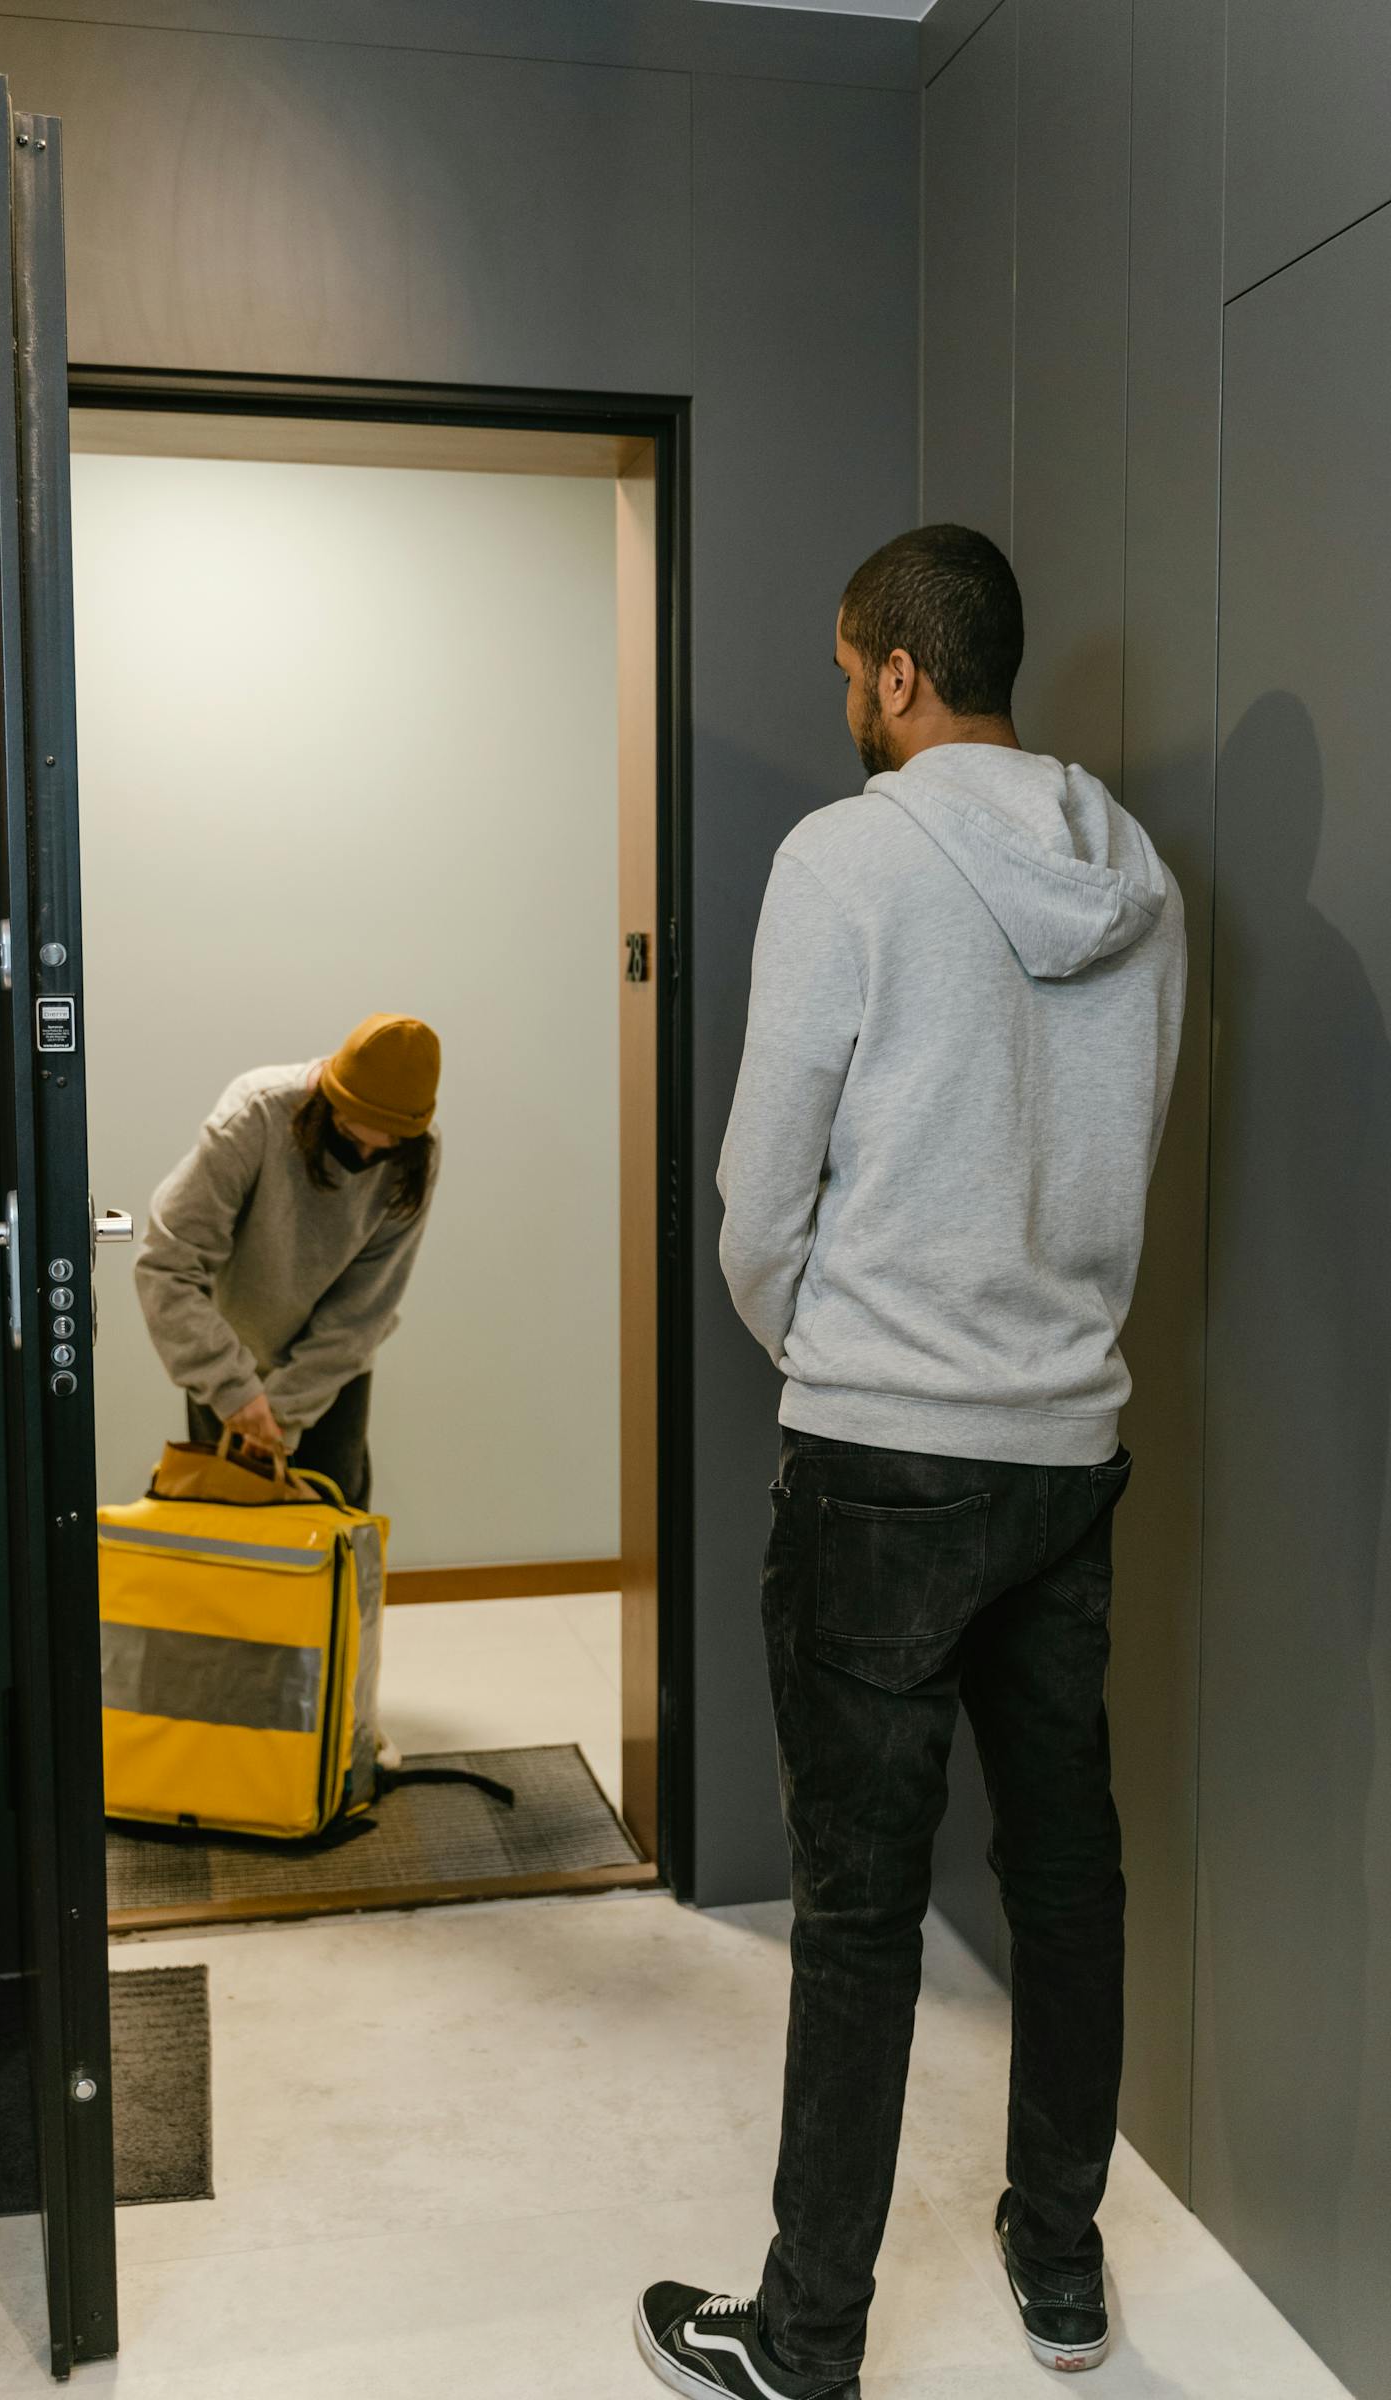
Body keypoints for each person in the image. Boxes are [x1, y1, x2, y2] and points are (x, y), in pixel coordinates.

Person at [636, 526, 1186, 2398]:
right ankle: (1062, 2270)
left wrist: (844, 1352)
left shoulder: (847, 859)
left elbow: (757, 1202)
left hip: (884, 1457)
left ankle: (807, 2344)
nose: (847, 704)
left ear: (898, 673)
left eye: (848, 673)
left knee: (859, 1907)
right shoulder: (1140, 879)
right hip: (1068, 1443)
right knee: (1068, 1874)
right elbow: (1118, 1158)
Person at [135, 1014, 441, 1510]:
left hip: (331, 1371)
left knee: (334, 1524)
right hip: (228, 1358)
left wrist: (285, 1410)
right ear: (327, 1100)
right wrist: (234, 1390)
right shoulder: (256, 1116)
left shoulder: (415, 1159)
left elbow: (364, 1308)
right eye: (351, 1138)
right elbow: (167, 1265)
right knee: (228, 1530)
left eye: (382, 1148)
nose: (365, 1155)